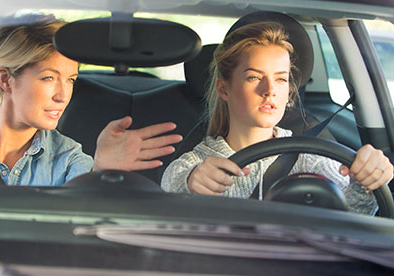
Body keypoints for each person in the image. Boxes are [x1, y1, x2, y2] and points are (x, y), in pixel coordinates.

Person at [0, 13, 181, 186]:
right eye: (49, 78)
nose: (63, 96)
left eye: (71, 80)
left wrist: (100, 172)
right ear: (6, 80)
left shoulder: (69, 159)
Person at [161, 21, 393, 215]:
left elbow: (352, 214)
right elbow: (173, 185)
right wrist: (191, 183)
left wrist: (367, 181)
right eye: (254, 77)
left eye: (280, 79)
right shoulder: (195, 164)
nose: (269, 89)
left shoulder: (311, 158)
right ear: (224, 89)